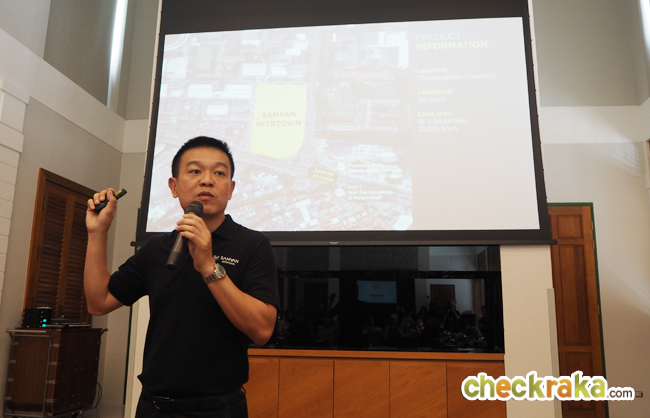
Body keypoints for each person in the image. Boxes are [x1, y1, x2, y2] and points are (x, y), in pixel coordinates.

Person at [84, 136, 280, 418]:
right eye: (195, 171)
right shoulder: (157, 249)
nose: (207, 180)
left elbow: (262, 331)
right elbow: (99, 302)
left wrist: (209, 266)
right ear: (173, 187)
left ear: (231, 189)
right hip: (155, 407)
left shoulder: (253, 245)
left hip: (219, 409)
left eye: (219, 173)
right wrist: (97, 233)